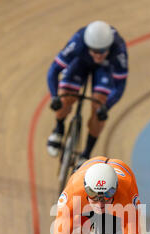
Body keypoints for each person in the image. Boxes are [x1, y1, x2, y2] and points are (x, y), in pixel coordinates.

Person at [47, 21, 128, 166]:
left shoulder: (118, 49)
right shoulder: (78, 42)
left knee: (99, 109)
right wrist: (55, 97)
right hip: (80, 62)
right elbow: (53, 71)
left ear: (109, 47)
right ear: (87, 46)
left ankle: (86, 154)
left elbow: (120, 85)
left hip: (105, 68)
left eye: (102, 52)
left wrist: (106, 107)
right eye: (95, 51)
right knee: (65, 98)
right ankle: (58, 129)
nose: (98, 56)